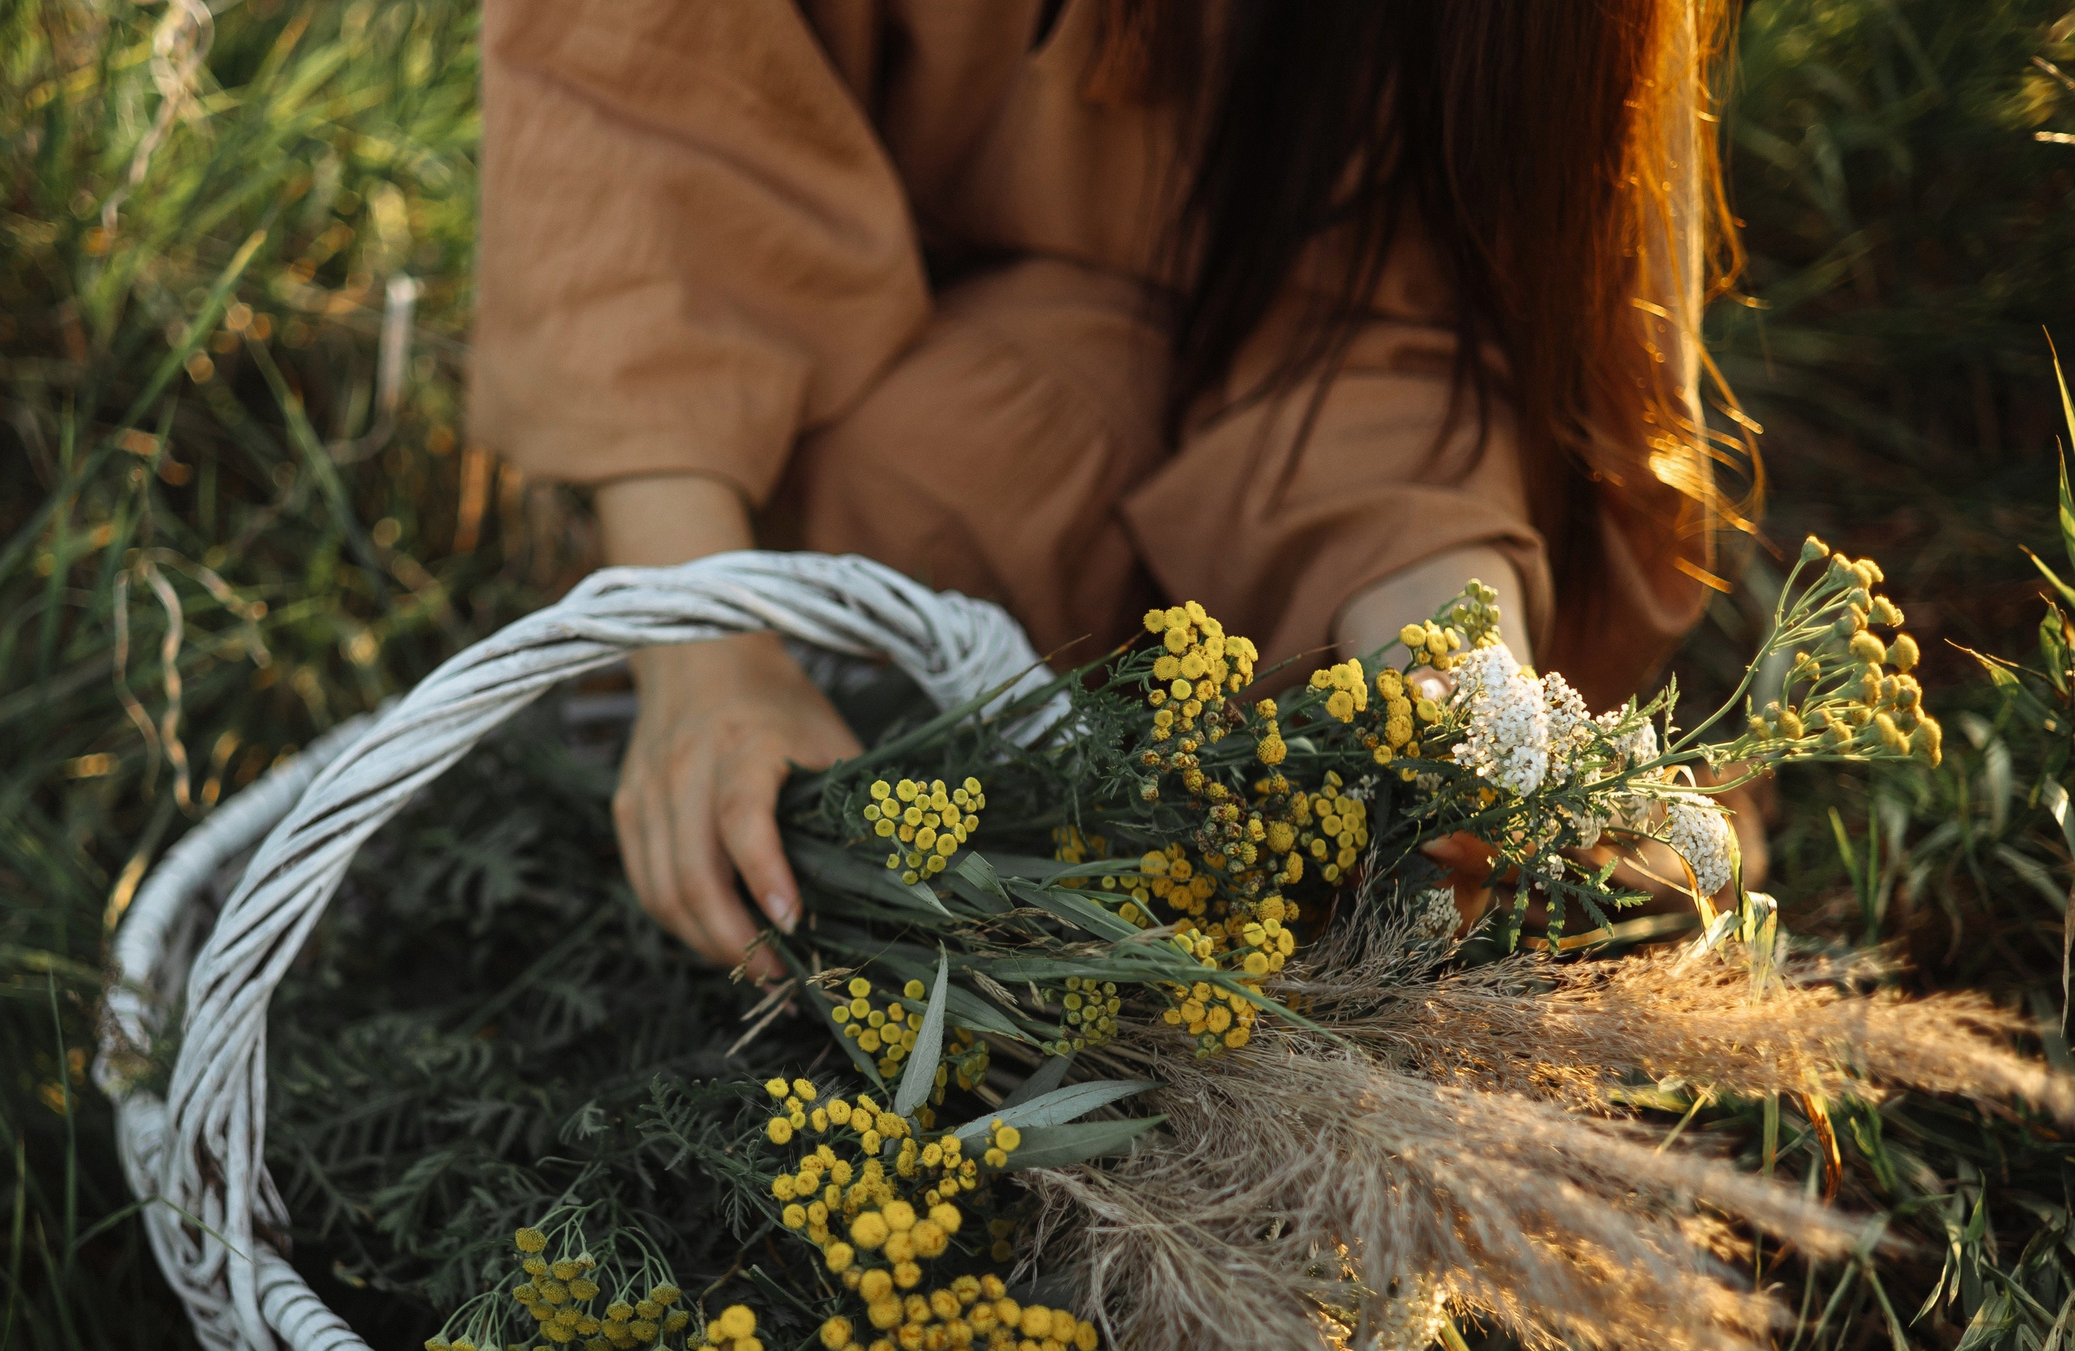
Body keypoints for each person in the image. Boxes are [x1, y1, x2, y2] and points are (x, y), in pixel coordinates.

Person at [471, 0, 1751, 974]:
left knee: (1432, 842)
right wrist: (707, 645)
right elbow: (636, 98)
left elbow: (1409, 314)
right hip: (865, 377)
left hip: (1327, 450)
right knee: (926, 464)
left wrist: (1457, 672)